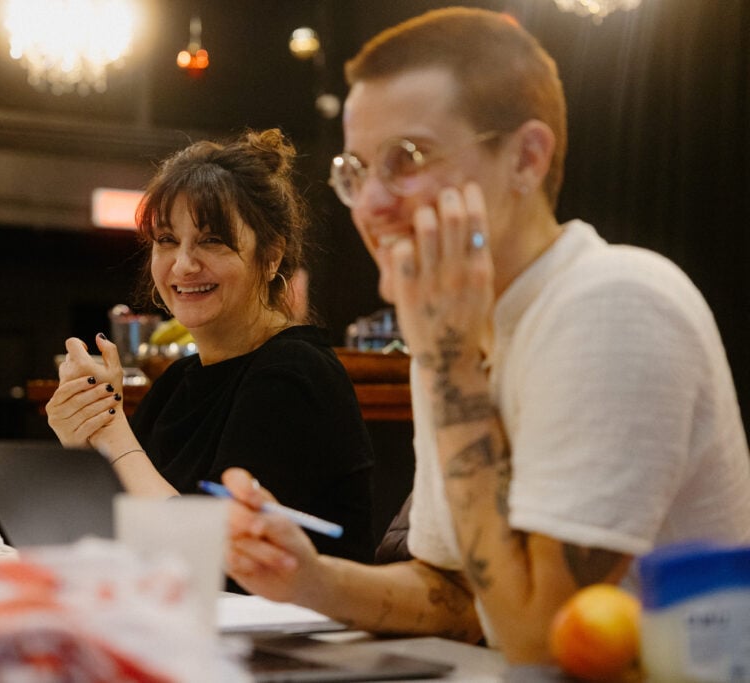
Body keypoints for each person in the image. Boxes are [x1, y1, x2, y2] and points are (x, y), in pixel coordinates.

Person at [221, 7, 750, 665]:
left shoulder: (614, 301)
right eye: (356, 171)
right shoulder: (455, 330)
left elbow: (540, 638)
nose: (372, 204)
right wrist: (312, 578)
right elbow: (464, 593)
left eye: (406, 159)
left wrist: (447, 362)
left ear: (526, 158)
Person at [45, 128, 375, 565]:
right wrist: (82, 441)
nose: (183, 264)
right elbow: (115, 544)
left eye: (211, 240)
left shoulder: (294, 373)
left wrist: (111, 433)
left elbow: (208, 555)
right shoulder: (176, 382)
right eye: (166, 241)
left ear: (272, 255)